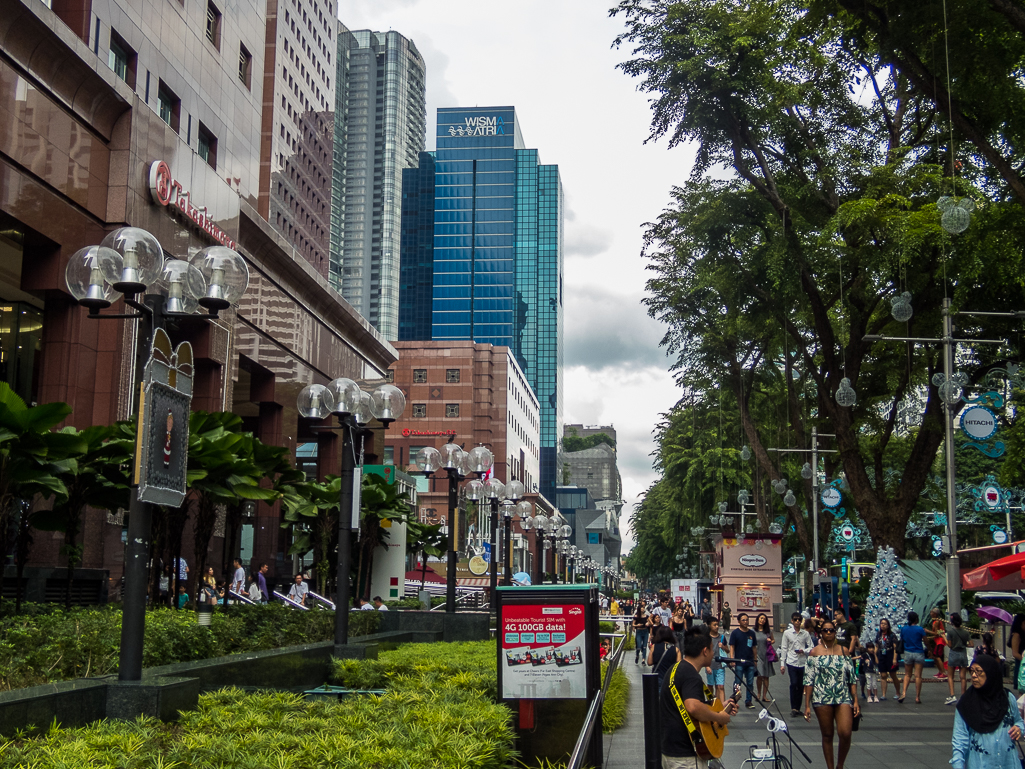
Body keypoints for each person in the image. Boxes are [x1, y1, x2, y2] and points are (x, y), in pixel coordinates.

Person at [659, 627, 739, 769]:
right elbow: (693, 706)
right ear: (705, 651)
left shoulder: (676, 669)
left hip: (670, 750)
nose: (714, 652)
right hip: (686, 755)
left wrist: (722, 706)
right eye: (711, 649)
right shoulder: (692, 676)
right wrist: (718, 717)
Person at [950, 655, 1023, 769]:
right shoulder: (966, 704)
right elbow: (959, 741)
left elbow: (1019, 722)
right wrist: (958, 765)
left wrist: (1019, 729)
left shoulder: (1007, 698)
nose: (974, 675)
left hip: (1008, 763)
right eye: (972, 671)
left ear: (991, 673)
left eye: (979, 671)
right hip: (980, 764)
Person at [804, 619, 859, 769]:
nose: (828, 633)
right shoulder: (814, 652)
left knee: (845, 732)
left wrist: (855, 700)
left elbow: (852, 678)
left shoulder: (844, 650)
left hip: (842, 695)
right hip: (822, 697)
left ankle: (840, 765)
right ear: (820, 633)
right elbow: (809, 680)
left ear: (836, 633)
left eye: (831, 630)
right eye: (825, 630)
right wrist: (807, 705)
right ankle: (830, 767)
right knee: (827, 734)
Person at [781, 611, 814, 716]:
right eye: (795, 619)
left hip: (802, 662)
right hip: (791, 661)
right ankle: (793, 707)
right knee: (794, 683)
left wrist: (803, 651)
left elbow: (811, 647)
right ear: (792, 621)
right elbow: (784, 648)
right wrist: (783, 663)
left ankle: (797, 708)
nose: (797, 621)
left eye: (799, 620)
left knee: (800, 685)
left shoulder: (805, 634)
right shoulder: (787, 633)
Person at [729, 612, 758, 709]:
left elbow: (754, 647)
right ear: (739, 622)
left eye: (747, 619)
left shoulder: (751, 633)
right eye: (743, 620)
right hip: (739, 661)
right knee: (738, 682)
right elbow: (732, 647)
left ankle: (748, 701)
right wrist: (732, 659)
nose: (746, 622)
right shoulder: (735, 633)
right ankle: (734, 699)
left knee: (750, 682)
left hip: (749, 661)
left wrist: (755, 660)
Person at [899, 610, 928, 704]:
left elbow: (902, 639)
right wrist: (930, 649)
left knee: (907, 674)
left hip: (908, 652)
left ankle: (903, 693)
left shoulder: (904, 629)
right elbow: (925, 640)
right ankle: (917, 697)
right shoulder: (920, 629)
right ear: (916, 619)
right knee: (918, 675)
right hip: (918, 652)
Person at [944, 613, 973, 705]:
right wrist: (965, 645)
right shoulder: (965, 632)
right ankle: (963, 696)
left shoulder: (951, 632)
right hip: (963, 654)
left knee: (950, 676)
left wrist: (943, 637)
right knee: (963, 677)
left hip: (953, 654)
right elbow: (971, 644)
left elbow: (949, 645)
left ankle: (952, 696)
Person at [874, 618, 900, 700]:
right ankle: (883, 694)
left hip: (890, 655)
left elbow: (895, 648)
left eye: (885, 624)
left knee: (893, 675)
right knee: (883, 675)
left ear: (888, 625)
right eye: (881, 623)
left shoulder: (892, 635)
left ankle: (898, 692)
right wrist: (874, 655)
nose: (883, 625)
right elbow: (877, 645)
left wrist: (895, 659)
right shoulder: (879, 634)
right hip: (881, 655)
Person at [753, 613, 776, 702]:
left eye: (764, 619)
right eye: (761, 618)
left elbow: (773, 640)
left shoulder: (768, 631)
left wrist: (771, 641)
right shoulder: (753, 631)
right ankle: (758, 693)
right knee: (760, 675)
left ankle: (764, 695)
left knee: (766, 676)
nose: (762, 620)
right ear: (757, 619)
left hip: (767, 655)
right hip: (757, 655)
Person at [705, 616, 728, 702]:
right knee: (710, 685)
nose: (717, 627)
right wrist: (707, 666)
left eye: (717, 625)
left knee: (720, 686)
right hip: (710, 664)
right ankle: (710, 702)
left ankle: (722, 705)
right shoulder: (706, 638)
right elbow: (704, 653)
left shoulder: (722, 637)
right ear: (709, 626)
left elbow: (728, 650)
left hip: (720, 665)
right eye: (714, 625)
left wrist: (723, 647)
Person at [928, 607, 949, 680]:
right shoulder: (935, 621)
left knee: (937, 657)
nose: (930, 613)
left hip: (940, 641)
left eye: (931, 612)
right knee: (935, 656)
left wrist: (927, 631)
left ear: (935, 614)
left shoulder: (936, 622)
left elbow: (936, 633)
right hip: (937, 641)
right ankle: (940, 671)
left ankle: (943, 672)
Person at [1009, 614, 1025, 689]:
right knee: (1022, 689)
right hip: (1021, 664)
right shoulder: (1016, 635)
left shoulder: (1022, 634)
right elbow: (1015, 653)